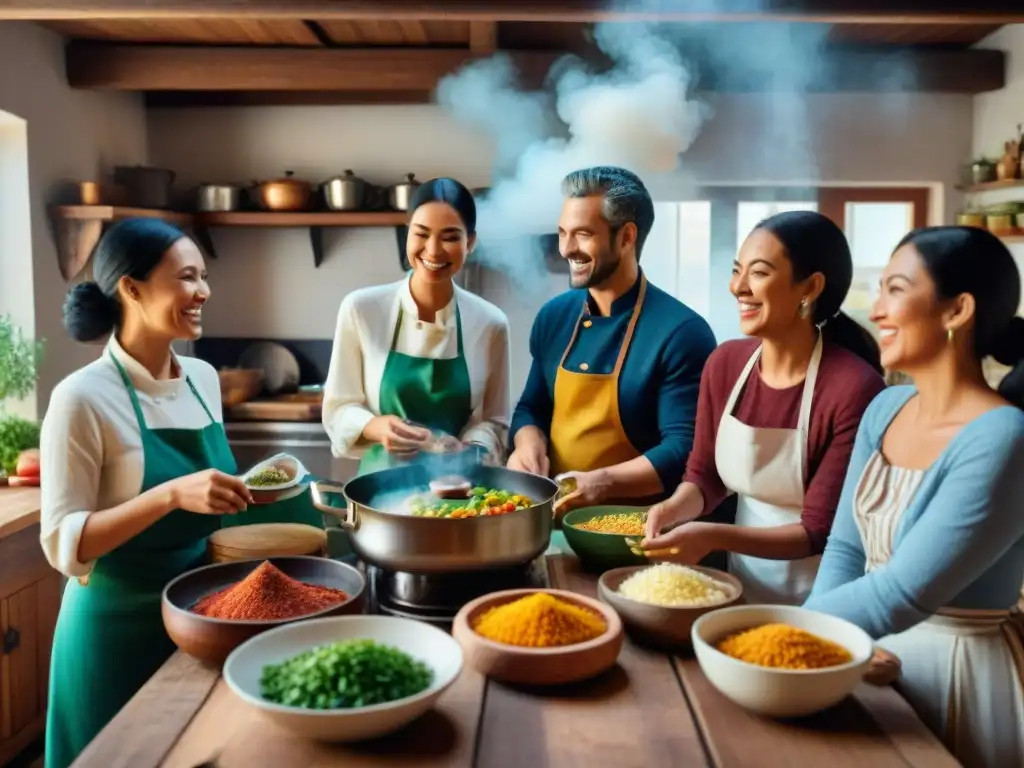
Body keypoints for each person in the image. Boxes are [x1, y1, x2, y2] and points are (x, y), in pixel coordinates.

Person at [804, 226, 1024, 767]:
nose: (877, 310)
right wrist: (821, 649)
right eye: (879, 290)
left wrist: (779, 635)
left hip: (956, 676)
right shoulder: (886, 407)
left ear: (957, 311)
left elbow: (899, 593)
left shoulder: (1003, 436)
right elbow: (845, 551)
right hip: (867, 652)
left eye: (895, 290)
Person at [40, 219, 253, 768]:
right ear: (131, 289)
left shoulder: (204, 379)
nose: (203, 291)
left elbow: (208, 497)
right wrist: (170, 496)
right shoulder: (81, 398)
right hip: (114, 634)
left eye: (203, 276)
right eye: (186, 277)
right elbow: (64, 545)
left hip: (200, 620)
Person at [642, 211, 885, 605]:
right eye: (737, 270)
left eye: (759, 273)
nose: (738, 286)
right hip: (739, 588)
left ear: (810, 287)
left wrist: (709, 535)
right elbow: (705, 477)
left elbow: (817, 530)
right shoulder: (725, 364)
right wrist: (672, 509)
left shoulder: (854, 388)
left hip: (825, 598)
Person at [507, 166, 716, 515]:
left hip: (634, 531)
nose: (566, 249)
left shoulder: (681, 332)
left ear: (627, 236)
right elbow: (533, 407)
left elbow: (683, 449)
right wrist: (526, 444)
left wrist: (604, 482)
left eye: (583, 234)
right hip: (552, 520)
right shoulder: (553, 317)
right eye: (563, 233)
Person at [322, 178, 510, 474]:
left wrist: (470, 448)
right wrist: (375, 426)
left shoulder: (490, 323)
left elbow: (494, 420)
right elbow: (338, 410)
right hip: (378, 492)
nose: (433, 251)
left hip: (460, 491)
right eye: (421, 234)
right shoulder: (362, 309)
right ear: (406, 234)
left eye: (450, 237)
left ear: (470, 242)